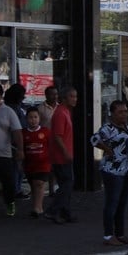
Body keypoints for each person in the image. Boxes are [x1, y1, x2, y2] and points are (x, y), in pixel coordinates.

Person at [90, 101, 128, 246]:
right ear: (112, 113)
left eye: (125, 111)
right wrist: (106, 149)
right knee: (112, 203)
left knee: (122, 203)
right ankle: (108, 235)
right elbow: (94, 139)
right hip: (113, 170)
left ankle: (120, 233)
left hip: (127, 170)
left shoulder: (125, 127)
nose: (124, 114)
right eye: (120, 112)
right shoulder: (108, 128)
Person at [45, 86, 76, 225]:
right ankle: (53, 210)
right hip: (61, 156)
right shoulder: (60, 113)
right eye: (72, 96)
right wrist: (65, 152)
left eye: (75, 96)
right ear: (64, 98)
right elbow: (57, 136)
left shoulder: (65, 112)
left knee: (66, 184)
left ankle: (65, 212)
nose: (75, 99)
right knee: (67, 184)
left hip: (64, 154)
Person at [0, 82, 23, 217]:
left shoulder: (8, 111)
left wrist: (20, 150)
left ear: (0, 95)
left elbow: (17, 132)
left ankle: (10, 203)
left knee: (8, 183)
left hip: (4, 154)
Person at [22, 108, 51, 219]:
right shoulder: (23, 133)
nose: (33, 120)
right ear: (26, 119)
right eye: (30, 117)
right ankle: (36, 206)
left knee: (39, 183)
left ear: (39, 119)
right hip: (29, 164)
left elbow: (50, 146)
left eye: (35, 117)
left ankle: (38, 208)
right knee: (33, 185)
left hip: (43, 163)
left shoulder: (45, 131)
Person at [3, 83, 27, 199]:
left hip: (12, 142)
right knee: (16, 168)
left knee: (16, 168)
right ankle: (15, 190)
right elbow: (18, 127)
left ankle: (15, 189)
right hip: (13, 142)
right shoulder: (14, 109)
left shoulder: (12, 107)